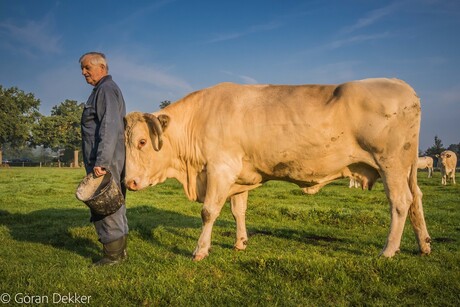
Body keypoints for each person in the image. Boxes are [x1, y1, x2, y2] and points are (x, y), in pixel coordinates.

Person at [79, 52, 128, 266]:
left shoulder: (106, 89)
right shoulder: (102, 90)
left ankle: (113, 256)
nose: (84, 72)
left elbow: (109, 127)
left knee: (106, 204)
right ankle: (119, 252)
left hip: (105, 160)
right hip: (106, 158)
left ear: (102, 67)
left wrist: (102, 162)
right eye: (83, 68)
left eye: (87, 67)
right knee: (113, 202)